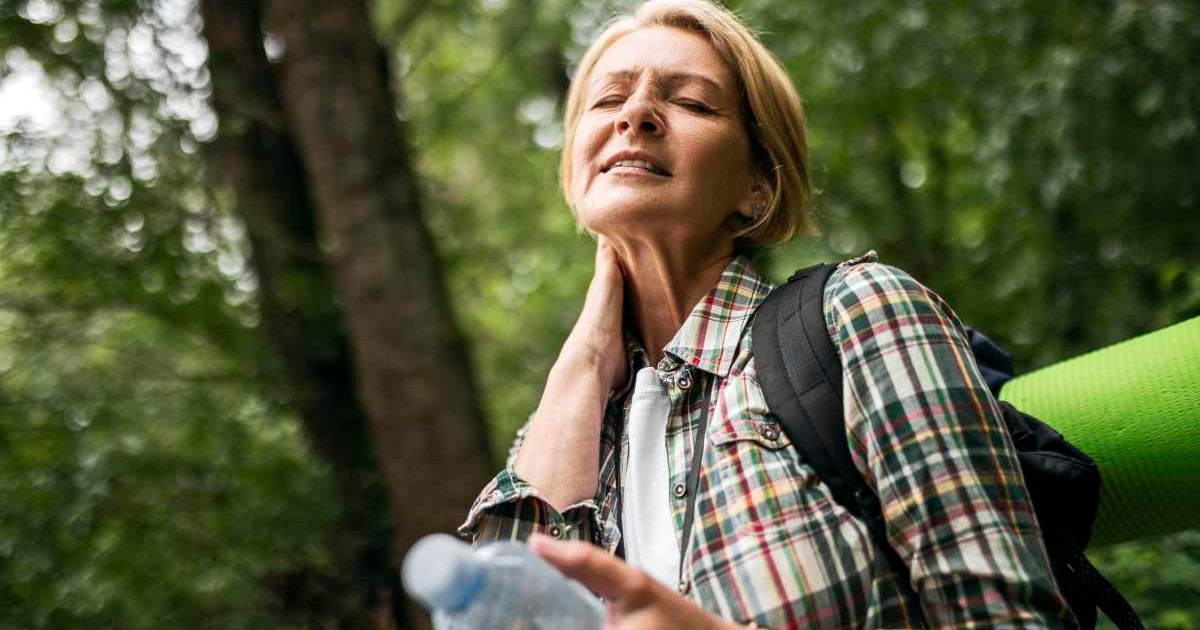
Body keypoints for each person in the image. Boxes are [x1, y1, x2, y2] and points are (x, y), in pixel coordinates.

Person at [458, 0, 1076, 627]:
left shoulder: (857, 312)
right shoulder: (565, 425)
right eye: (607, 99)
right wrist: (583, 361)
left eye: (692, 103)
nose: (635, 115)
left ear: (757, 186)